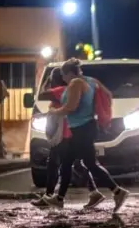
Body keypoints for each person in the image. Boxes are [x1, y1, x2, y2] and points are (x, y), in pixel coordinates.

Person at [48, 58, 129, 212]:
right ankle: (59, 199)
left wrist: (54, 112)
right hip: (86, 127)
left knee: (89, 164)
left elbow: (70, 108)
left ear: (69, 73)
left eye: (64, 75)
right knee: (68, 163)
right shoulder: (91, 81)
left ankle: (118, 191)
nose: (63, 79)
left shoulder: (75, 83)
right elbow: (108, 95)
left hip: (82, 129)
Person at [31, 67, 106, 208]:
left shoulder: (60, 91)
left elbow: (42, 95)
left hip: (65, 135)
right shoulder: (69, 90)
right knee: (75, 164)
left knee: (56, 164)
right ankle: (93, 192)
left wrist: (47, 82)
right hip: (70, 133)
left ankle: (52, 197)